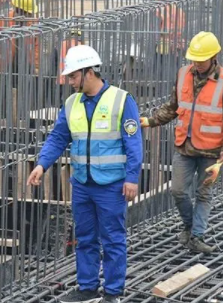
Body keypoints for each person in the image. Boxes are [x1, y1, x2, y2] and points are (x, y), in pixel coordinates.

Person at [27, 45, 143, 303]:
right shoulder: (71, 104)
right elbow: (58, 137)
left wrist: (132, 178)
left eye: (72, 76)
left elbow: (133, 143)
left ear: (88, 72)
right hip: (82, 183)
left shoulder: (122, 100)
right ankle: (88, 286)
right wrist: (41, 164)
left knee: (112, 239)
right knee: (85, 237)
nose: (69, 82)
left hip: (111, 185)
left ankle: (113, 292)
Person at [140, 31, 223, 253]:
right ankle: (188, 227)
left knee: (203, 194)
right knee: (178, 191)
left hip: (211, 149)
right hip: (184, 146)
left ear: (213, 57)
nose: (197, 63)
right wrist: (150, 120)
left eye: (201, 59)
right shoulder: (183, 73)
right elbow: (173, 107)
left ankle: (196, 236)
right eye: (194, 59)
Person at [0, 0, 41, 119]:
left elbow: (36, 47)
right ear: (19, 11)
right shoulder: (3, 22)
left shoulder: (33, 24)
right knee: (0, 100)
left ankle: (21, 123)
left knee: (24, 101)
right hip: (3, 67)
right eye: (28, 14)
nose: (30, 16)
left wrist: (36, 66)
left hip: (24, 67)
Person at [153, 0, 186, 95]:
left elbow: (155, 32)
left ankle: (163, 95)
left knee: (161, 75)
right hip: (177, 46)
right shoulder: (179, 10)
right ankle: (174, 94)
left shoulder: (158, 11)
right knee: (174, 74)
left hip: (163, 48)